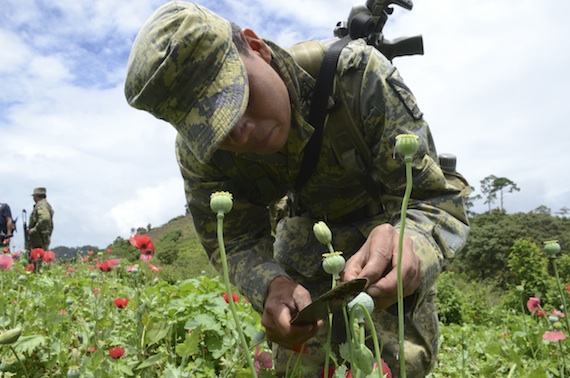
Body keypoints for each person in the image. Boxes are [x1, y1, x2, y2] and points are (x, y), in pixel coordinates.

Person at [124, 2, 470, 376]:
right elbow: (236, 242)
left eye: (238, 101)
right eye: (216, 132)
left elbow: (434, 200)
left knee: (398, 366)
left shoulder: (356, 77)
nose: (239, 132)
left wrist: (411, 244)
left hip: (387, 245)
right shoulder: (200, 155)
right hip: (304, 253)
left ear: (257, 47)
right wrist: (270, 286)